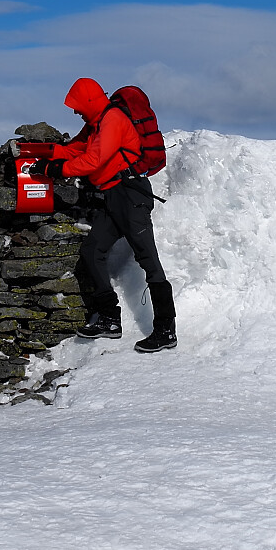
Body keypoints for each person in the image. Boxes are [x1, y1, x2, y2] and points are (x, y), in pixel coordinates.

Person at [33, 77, 177, 353]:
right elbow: (75, 149)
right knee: (92, 250)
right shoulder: (96, 123)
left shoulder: (112, 120)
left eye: (77, 106)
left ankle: (165, 329)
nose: (75, 112)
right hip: (111, 196)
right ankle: (109, 318)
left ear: (88, 101)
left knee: (148, 260)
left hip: (130, 195)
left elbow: (93, 160)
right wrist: (44, 153)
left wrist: (54, 170)